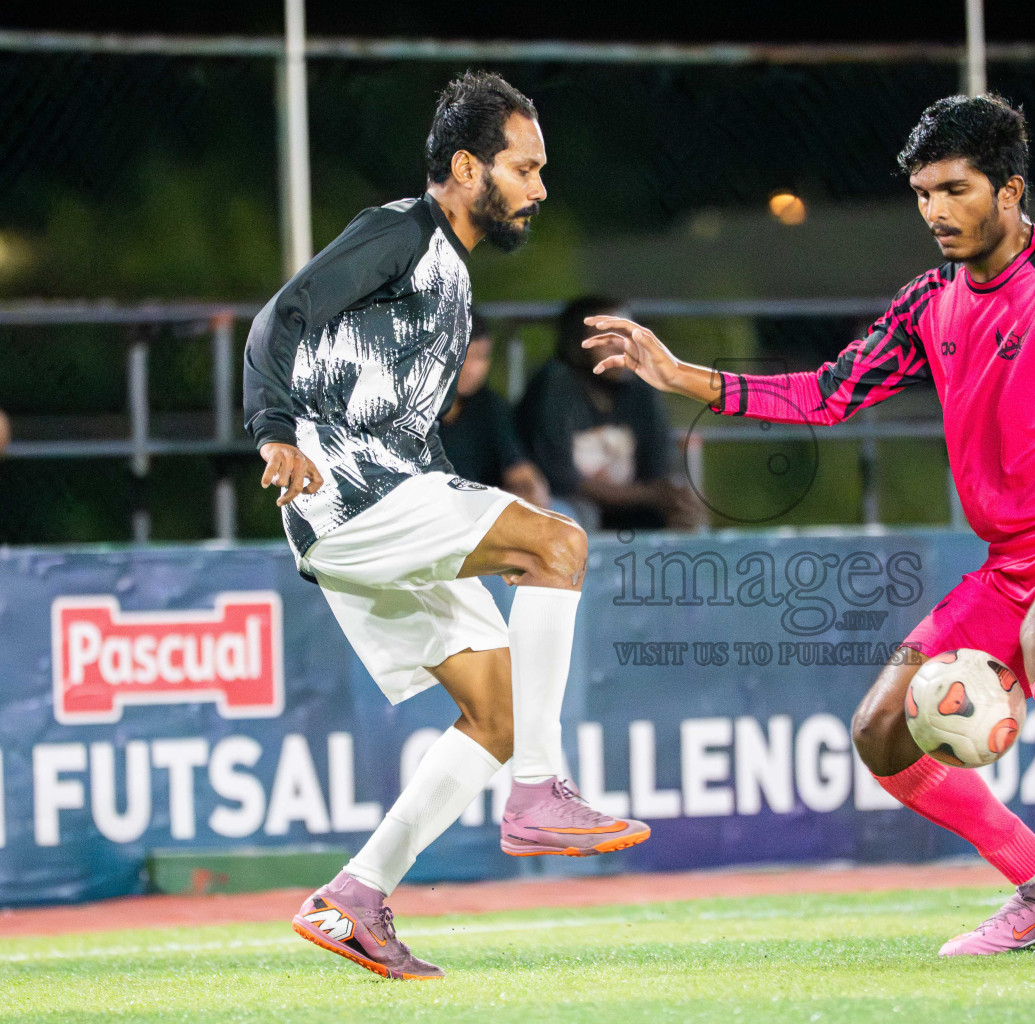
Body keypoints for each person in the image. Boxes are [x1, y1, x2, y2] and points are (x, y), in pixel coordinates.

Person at [581, 94, 1035, 961]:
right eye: (923, 192)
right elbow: (827, 393)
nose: (934, 211)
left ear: (1009, 192)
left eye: (954, 190)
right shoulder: (930, 302)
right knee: (881, 731)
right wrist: (682, 376)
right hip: (1011, 561)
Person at [243, 71, 648, 981]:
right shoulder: (399, 233)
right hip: (348, 490)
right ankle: (540, 792)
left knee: (494, 716)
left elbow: (391, 406)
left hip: (374, 500)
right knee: (559, 544)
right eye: (525, 168)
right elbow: (278, 321)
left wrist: (472, 520)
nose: (540, 189)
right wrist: (272, 432)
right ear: (468, 167)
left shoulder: (451, 277)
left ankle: (354, 898)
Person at [519, 296, 703, 531]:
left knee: (683, 513)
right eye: (608, 338)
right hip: (568, 506)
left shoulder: (641, 387)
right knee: (572, 517)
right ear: (577, 344)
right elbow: (561, 480)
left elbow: (657, 465)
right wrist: (650, 495)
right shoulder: (554, 385)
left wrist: (672, 498)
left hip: (633, 503)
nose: (622, 346)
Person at [439, 317, 551, 507]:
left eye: (481, 356)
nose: (472, 368)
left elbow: (526, 480)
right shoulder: (405, 411)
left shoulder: (489, 406)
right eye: (463, 356)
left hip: (477, 518)